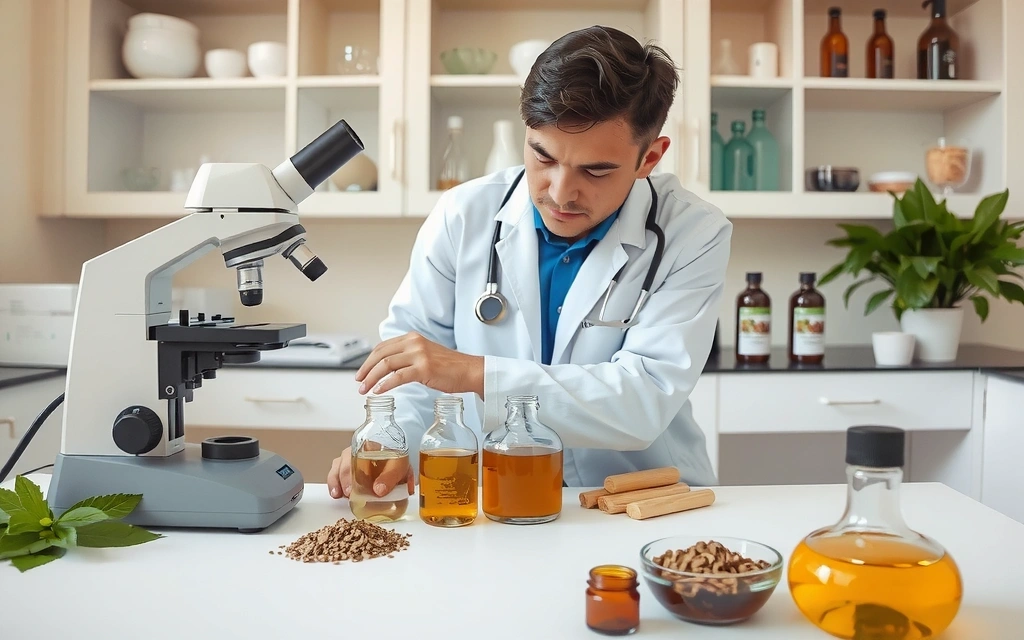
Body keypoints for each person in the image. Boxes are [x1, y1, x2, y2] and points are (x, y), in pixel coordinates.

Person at [327, 25, 732, 499]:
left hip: (637, 500)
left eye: (595, 170)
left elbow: (643, 400)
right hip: (495, 497)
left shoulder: (693, 232)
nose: (560, 193)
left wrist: (476, 373)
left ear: (650, 158)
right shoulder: (464, 214)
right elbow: (412, 371)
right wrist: (388, 439)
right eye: (543, 157)